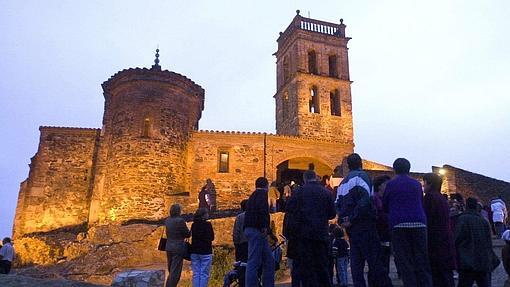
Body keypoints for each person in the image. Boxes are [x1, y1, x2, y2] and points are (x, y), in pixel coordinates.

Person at [336, 153, 390, 287]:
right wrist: (353, 218)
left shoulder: (342, 183)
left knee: (356, 264)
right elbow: (365, 200)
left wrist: (343, 221)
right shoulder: (362, 177)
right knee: (375, 262)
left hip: (351, 229)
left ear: (347, 166)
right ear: (361, 163)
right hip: (364, 225)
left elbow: (337, 204)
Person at [383, 158, 432, 287]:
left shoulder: (391, 184)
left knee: (405, 261)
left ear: (395, 169)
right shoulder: (416, 184)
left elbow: (385, 205)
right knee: (422, 260)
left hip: (399, 224)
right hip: (419, 223)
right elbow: (420, 201)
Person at [286, 169, 336, 287]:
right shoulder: (326, 192)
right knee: (322, 268)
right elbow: (332, 214)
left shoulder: (298, 192)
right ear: (316, 178)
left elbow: (290, 211)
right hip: (321, 235)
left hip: (303, 237)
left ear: (304, 179)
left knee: (305, 268)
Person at [455, 197, 499, 287]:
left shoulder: (462, 219)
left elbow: (457, 238)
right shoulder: (484, 221)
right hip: (483, 261)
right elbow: (488, 242)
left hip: (467, 262)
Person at [422, 173, 456, 287]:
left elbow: (428, 218)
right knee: (446, 274)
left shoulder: (430, 197)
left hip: (435, 240)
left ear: (429, 183)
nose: (423, 185)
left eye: (424, 182)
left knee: (439, 275)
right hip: (444, 238)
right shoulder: (441, 198)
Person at [244, 177, 274, 287]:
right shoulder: (262, 195)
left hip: (252, 229)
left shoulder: (253, 195)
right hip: (257, 230)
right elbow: (263, 212)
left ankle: (268, 284)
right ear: (266, 185)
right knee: (253, 262)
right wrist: (264, 227)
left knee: (269, 260)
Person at [372, 175, 393, 286]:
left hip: (386, 233)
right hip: (379, 233)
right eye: (386, 184)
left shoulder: (384, 198)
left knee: (385, 260)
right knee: (381, 261)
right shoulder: (375, 198)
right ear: (380, 185)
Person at [164, 204, 191, 287]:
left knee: (171, 268)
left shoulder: (167, 220)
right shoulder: (180, 221)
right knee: (175, 271)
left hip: (169, 246)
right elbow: (186, 234)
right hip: (178, 247)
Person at [190, 208, 214, 287]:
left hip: (195, 251)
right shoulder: (207, 225)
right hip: (205, 251)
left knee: (196, 273)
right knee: (204, 273)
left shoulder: (194, 224)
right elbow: (211, 237)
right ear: (203, 215)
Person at [233, 199, 249, 287]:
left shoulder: (239, 217)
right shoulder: (253, 215)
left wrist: (236, 243)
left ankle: (242, 283)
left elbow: (236, 232)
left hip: (241, 244)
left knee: (241, 265)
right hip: (251, 244)